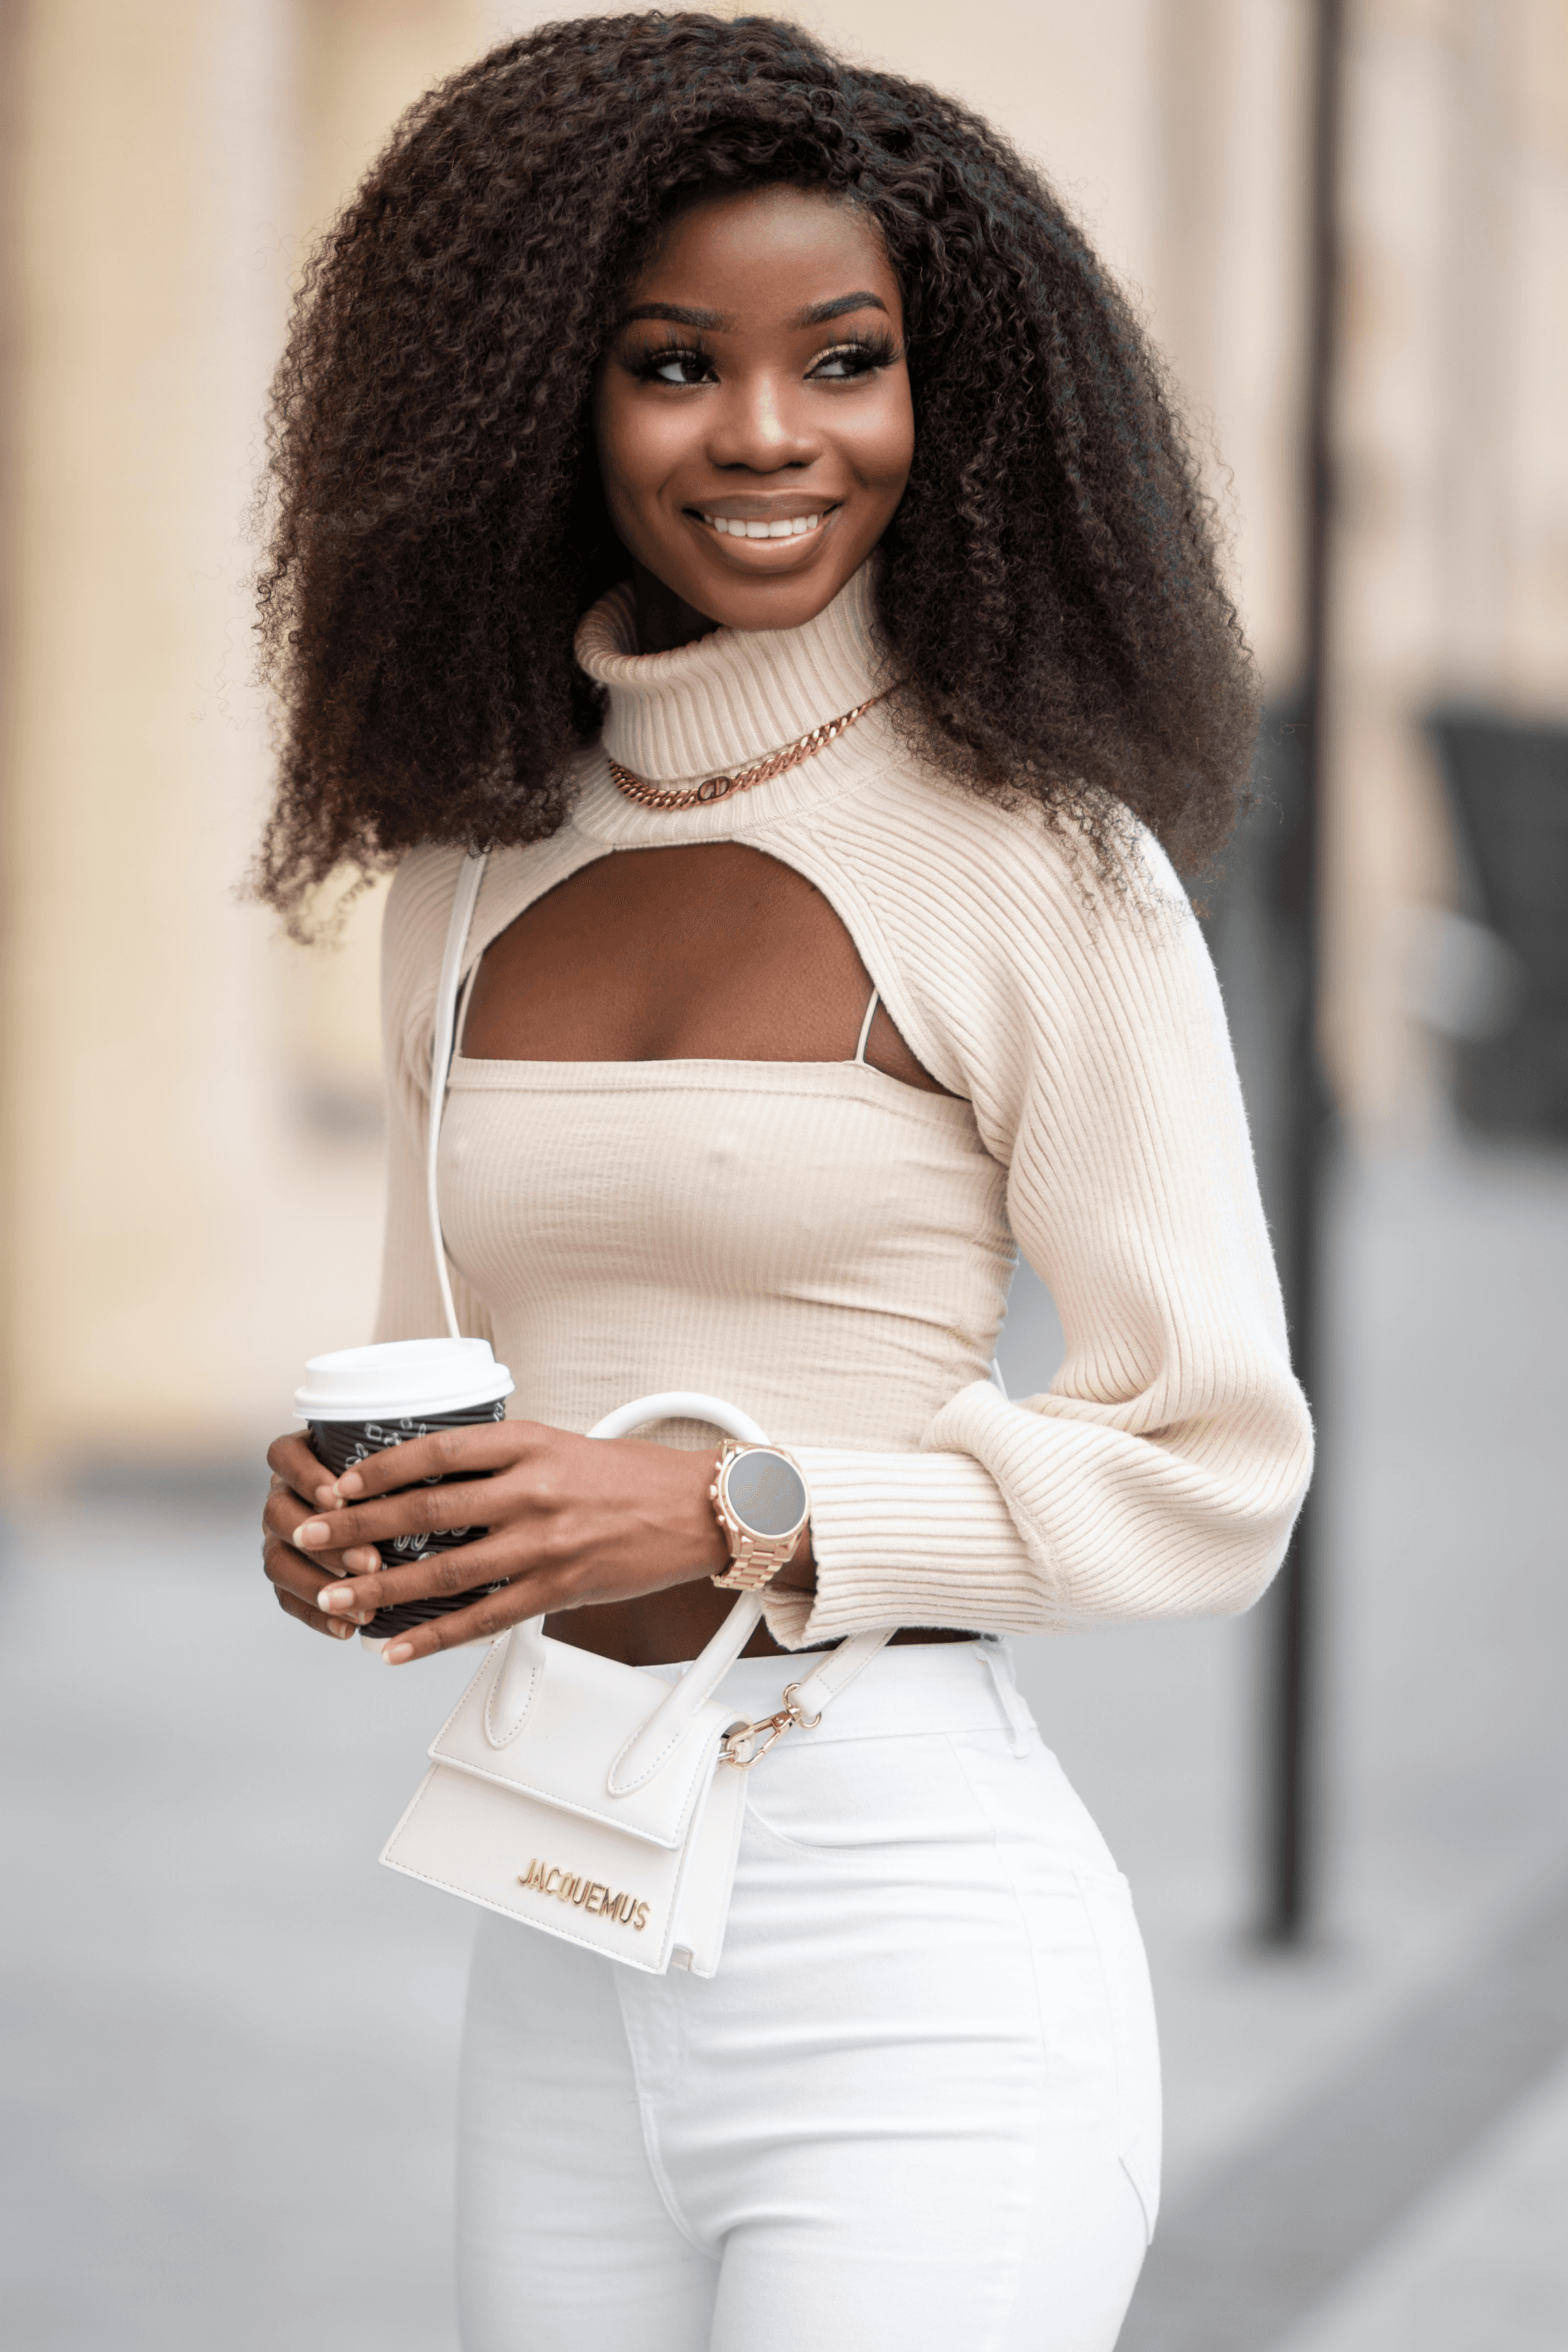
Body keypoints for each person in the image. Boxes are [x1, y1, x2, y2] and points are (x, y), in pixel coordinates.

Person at [256, 15, 1312, 2349]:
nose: (764, 436)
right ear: (545, 397)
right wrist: (356, 1526)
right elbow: (464, 1376)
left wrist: (732, 1507)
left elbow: (1213, 1464)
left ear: (956, 403)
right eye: (671, 363)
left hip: (911, 1946)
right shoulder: (464, 868)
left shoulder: (1032, 861)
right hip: (560, 1921)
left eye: (845, 360)